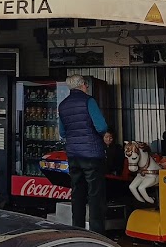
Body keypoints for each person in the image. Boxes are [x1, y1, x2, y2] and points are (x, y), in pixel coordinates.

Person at [58, 74, 108, 236]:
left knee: (77, 192)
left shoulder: (63, 105)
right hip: (92, 154)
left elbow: (62, 132)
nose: (87, 87)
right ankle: (96, 232)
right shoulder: (89, 101)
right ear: (82, 85)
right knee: (95, 194)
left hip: (73, 154)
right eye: (86, 84)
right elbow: (101, 127)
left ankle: (77, 229)